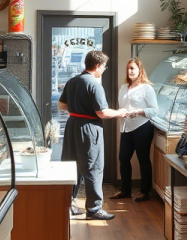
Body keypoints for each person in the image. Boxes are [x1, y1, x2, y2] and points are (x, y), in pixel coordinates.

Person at [58, 50, 127, 221]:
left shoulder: (72, 81)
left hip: (72, 126)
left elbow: (61, 105)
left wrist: (77, 110)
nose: (104, 69)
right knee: (93, 166)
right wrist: (120, 113)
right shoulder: (94, 85)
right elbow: (102, 112)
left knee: (71, 165)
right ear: (97, 65)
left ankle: (68, 204)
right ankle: (94, 209)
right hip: (89, 128)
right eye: (104, 66)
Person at [110, 58, 158, 202]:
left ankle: (145, 192)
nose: (130, 71)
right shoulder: (123, 87)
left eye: (133, 68)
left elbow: (154, 110)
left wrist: (137, 112)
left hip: (141, 127)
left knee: (143, 159)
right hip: (126, 127)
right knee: (123, 158)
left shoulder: (147, 88)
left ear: (140, 70)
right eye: (128, 68)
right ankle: (125, 191)